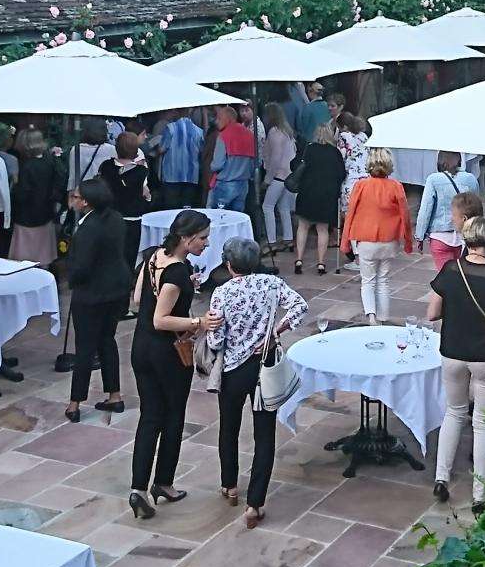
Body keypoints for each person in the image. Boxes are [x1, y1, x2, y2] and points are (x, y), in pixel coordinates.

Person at [205, 238, 308, 528]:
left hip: (233, 369)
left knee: (229, 426)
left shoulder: (222, 293)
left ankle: (230, 485)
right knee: (264, 433)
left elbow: (216, 339)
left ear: (229, 265)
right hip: (265, 365)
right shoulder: (270, 284)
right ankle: (255, 503)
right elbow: (300, 307)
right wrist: (275, 331)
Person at [127, 210, 219, 520]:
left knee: (149, 417)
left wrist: (178, 294)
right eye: (203, 238)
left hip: (140, 348)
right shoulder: (178, 271)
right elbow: (161, 319)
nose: (206, 244)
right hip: (166, 353)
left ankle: (138, 487)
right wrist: (198, 321)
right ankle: (163, 482)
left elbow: (140, 299)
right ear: (186, 238)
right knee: (173, 416)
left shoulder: (154, 256)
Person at [427, 216, 485, 510]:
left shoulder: (451, 270)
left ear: (465, 241)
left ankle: (441, 478)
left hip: (452, 351)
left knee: (453, 413)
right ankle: (479, 495)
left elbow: (431, 314)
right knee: (484, 425)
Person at [64, 178, 129, 422]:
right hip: (115, 290)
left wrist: (72, 279)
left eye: (77, 197)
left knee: (85, 349)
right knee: (107, 341)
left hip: (91, 294)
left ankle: (75, 403)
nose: (74, 200)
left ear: (87, 202)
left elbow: (81, 266)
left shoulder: (88, 229)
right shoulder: (115, 218)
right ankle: (115, 394)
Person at [340, 148, 412, 323]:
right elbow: (406, 216)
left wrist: (345, 242)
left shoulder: (361, 185)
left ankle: (372, 317)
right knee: (384, 281)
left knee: (368, 281)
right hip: (389, 240)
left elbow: (350, 214)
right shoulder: (396, 186)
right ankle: (384, 318)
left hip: (365, 240)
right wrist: (408, 241)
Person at [289, 124, 346, 276]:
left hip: (307, 193)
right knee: (322, 230)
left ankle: (299, 260)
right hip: (326, 196)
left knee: (303, 226)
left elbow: (293, 165)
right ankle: (321, 263)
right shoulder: (335, 153)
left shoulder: (308, 149)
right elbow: (341, 174)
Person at [417, 153, 483, 271]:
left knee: (445, 280)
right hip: (465, 235)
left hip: (439, 236)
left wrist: (420, 235)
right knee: (463, 276)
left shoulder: (433, 180)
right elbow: (477, 208)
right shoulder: (470, 179)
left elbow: (425, 209)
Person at [9, 129, 65, 267]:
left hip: (26, 217)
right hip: (46, 213)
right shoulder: (51, 161)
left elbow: (22, 194)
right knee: (44, 256)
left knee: (23, 260)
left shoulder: (27, 166)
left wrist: (14, 186)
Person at [97, 131, 152, 268]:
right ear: (136, 149)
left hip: (109, 217)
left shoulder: (105, 167)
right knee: (129, 255)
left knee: (110, 254)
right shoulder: (142, 172)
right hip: (132, 220)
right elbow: (147, 196)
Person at [258, 104, 297, 252]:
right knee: (284, 208)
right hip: (289, 176)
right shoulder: (287, 132)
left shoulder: (274, 133)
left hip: (278, 176)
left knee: (267, 207)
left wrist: (267, 180)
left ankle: (271, 241)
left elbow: (275, 159)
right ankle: (288, 239)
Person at [208, 105, 257, 212]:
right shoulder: (250, 135)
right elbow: (254, 163)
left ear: (227, 119)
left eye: (219, 118)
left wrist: (210, 167)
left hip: (225, 184)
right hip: (243, 185)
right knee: (236, 220)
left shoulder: (223, 136)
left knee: (217, 218)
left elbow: (217, 164)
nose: (216, 122)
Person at [153, 109, 204, 209]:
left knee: (171, 209)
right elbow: (201, 151)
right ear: (189, 113)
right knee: (187, 208)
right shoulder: (199, 131)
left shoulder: (170, 128)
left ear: (177, 112)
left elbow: (161, 149)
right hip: (191, 176)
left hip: (172, 176)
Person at [335, 114, 371, 246]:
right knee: (364, 215)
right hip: (366, 179)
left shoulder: (344, 136)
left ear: (343, 126)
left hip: (350, 180)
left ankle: (356, 254)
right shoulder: (363, 136)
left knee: (351, 216)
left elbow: (340, 158)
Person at [69, 118, 114, 190]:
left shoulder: (76, 149)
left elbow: (73, 177)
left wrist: (71, 195)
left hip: (83, 191)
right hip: (104, 191)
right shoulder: (111, 149)